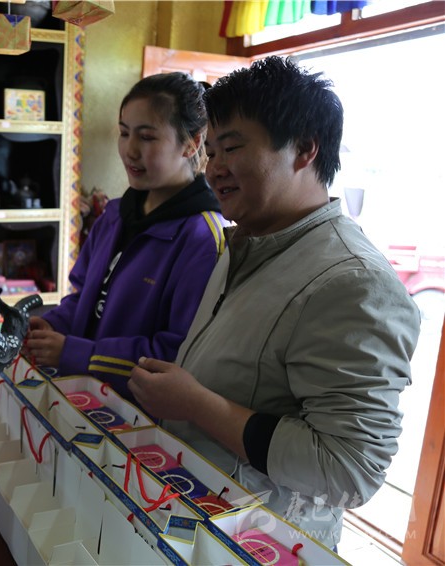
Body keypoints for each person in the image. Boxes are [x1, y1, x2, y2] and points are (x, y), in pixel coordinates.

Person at [128, 56, 420, 548]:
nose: (214, 169)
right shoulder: (248, 239)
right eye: (211, 151)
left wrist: (197, 405)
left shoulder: (353, 282)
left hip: (261, 541)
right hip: (194, 514)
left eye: (232, 148)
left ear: (305, 148)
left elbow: (350, 468)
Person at [25, 72, 225, 404]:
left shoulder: (203, 238)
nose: (130, 150)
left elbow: (177, 352)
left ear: (191, 143)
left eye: (147, 137)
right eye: (124, 133)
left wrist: (77, 353)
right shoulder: (114, 215)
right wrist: (50, 328)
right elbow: (84, 297)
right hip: (80, 394)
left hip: (139, 414)